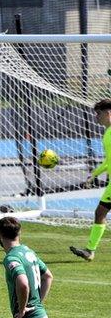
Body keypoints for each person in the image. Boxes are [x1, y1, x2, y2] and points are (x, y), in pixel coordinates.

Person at [0, 217, 53, 318]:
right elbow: (48, 276)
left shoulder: (12, 258)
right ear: (19, 233)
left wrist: (22, 310)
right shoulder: (28, 252)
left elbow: (22, 284)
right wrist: (37, 303)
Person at [70, 98, 111, 261]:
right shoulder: (107, 133)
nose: (96, 117)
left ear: (108, 113)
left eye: (98, 113)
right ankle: (90, 251)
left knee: (100, 212)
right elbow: (109, 161)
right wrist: (94, 174)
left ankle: (90, 250)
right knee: (100, 212)